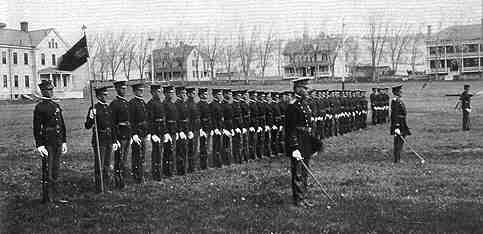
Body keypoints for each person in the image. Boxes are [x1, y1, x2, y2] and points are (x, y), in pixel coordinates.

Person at [286, 77, 322, 208]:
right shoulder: (293, 105)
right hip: (298, 141)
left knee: (305, 170)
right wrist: (294, 147)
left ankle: (304, 196)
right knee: (298, 171)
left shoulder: (305, 104)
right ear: (298, 89)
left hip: (306, 140)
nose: (308, 90)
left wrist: (313, 143)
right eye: (305, 88)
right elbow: (290, 128)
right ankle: (298, 199)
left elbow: (309, 125)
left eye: (308, 88)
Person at [33, 80, 68, 203]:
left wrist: (64, 141)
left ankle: (56, 196)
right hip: (48, 142)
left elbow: (62, 125)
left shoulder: (56, 105)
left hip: (57, 141)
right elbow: (37, 128)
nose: (51, 92)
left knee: (56, 170)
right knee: (48, 170)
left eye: (52, 89)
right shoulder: (40, 107)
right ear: (43, 91)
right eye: (48, 90)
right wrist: (40, 145)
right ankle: (48, 197)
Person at [84, 85, 118, 192]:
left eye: (106, 94)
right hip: (100, 139)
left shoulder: (108, 108)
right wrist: (91, 117)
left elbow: (112, 125)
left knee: (107, 164)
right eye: (103, 95)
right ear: (98, 96)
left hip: (108, 139)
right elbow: (87, 126)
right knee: (100, 164)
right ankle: (99, 187)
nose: (105, 96)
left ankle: (106, 186)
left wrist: (114, 140)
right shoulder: (94, 108)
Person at [109, 80, 131, 189]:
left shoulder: (126, 103)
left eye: (125, 88)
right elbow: (112, 124)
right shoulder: (114, 104)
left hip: (127, 134)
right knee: (119, 159)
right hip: (119, 135)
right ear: (117, 90)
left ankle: (122, 178)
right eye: (122, 88)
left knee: (124, 158)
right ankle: (118, 180)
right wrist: (115, 139)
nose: (124, 90)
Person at [129, 81, 148, 183]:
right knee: (137, 155)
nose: (141, 92)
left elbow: (146, 118)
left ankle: (141, 175)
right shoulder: (132, 103)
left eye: (142, 90)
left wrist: (147, 132)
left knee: (143, 155)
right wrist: (134, 134)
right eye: (139, 90)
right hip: (137, 133)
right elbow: (131, 120)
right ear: (134, 91)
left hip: (143, 132)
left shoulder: (143, 102)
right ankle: (137, 177)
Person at [146, 83, 165, 181]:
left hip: (161, 131)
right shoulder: (150, 104)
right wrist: (152, 133)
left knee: (160, 152)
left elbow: (163, 119)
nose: (159, 93)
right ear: (152, 92)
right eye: (158, 91)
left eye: (160, 91)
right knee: (156, 153)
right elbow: (150, 120)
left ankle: (159, 173)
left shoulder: (160, 103)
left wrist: (165, 132)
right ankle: (156, 174)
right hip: (156, 132)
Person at [390, 85, 411, 163]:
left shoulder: (399, 100)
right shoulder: (395, 101)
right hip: (398, 124)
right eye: (400, 91)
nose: (401, 92)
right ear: (396, 92)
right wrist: (396, 127)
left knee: (401, 141)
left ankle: (398, 157)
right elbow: (394, 115)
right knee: (398, 141)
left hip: (402, 123)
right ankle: (397, 159)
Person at [163, 85, 178, 177]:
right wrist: (166, 132)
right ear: (165, 94)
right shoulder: (164, 104)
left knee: (173, 150)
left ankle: (172, 169)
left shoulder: (172, 104)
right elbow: (164, 119)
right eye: (169, 92)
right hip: (168, 130)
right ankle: (167, 171)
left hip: (174, 129)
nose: (171, 94)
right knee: (168, 151)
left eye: (172, 92)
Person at [175, 86, 189, 175]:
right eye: (182, 93)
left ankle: (185, 168)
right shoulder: (177, 104)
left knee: (185, 149)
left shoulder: (184, 103)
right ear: (178, 94)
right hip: (181, 129)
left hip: (186, 128)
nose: (184, 95)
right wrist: (180, 131)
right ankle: (181, 170)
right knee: (180, 150)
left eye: (185, 93)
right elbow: (177, 119)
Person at [186, 87, 200, 172]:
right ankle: (191, 167)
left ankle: (194, 165)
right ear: (188, 94)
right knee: (191, 148)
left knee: (195, 148)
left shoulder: (194, 103)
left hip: (196, 128)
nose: (193, 95)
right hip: (191, 129)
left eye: (194, 93)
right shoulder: (187, 104)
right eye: (192, 93)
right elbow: (188, 118)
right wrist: (189, 130)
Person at [210, 88, 224, 168]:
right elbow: (213, 117)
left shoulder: (219, 104)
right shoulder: (212, 104)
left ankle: (219, 161)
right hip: (216, 128)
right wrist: (215, 128)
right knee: (216, 145)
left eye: (221, 94)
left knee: (219, 145)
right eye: (219, 94)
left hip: (220, 126)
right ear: (214, 95)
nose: (220, 96)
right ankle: (216, 162)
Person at [198, 88, 211, 170]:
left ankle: (206, 164)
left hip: (208, 127)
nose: (206, 95)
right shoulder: (199, 105)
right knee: (203, 146)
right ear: (200, 95)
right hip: (203, 128)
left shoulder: (207, 104)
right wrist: (200, 129)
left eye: (206, 94)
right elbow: (198, 118)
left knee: (207, 146)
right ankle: (203, 165)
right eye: (204, 94)